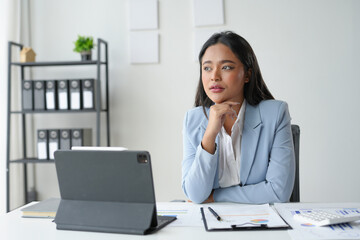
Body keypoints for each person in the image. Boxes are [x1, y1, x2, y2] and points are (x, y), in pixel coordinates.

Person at [182, 31, 295, 204]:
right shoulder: (193, 120)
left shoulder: (275, 114)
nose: (214, 76)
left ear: (247, 74)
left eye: (226, 67)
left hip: (263, 222)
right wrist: (210, 134)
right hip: (210, 222)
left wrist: (215, 197)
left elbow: (278, 192)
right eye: (207, 68)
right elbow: (195, 195)